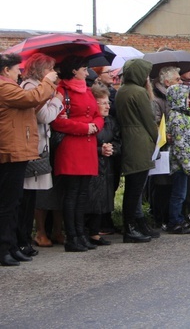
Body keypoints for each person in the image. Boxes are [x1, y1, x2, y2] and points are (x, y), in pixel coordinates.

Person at [0, 53, 57, 267]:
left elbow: (33, 102)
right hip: (10, 150)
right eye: (17, 69)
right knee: (8, 204)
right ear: (6, 70)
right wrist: (47, 82)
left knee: (14, 202)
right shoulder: (5, 87)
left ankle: (11, 246)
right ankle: (4, 248)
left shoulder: (10, 87)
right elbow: (31, 99)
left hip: (16, 149)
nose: (20, 73)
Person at [51, 55, 104, 253]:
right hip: (72, 146)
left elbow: (98, 115)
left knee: (82, 194)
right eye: (84, 67)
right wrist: (86, 128)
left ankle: (80, 234)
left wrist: (95, 126)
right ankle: (72, 236)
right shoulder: (62, 91)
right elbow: (57, 121)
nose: (87, 71)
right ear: (74, 70)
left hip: (87, 144)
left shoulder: (88, 90)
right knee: (72, 193)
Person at [17, 54, 63, 258]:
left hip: (38, 145)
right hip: (33, 146)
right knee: (26, 197)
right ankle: (22, 239)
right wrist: (58, 102)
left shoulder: (40, 86)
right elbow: (45, 115)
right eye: (49, 69)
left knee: (31, 196)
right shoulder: (30, 87)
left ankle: (24, 239)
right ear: (40, 70)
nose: (53, 73)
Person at [115, 58, 159, 243]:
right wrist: (157, 138)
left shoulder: (122, 90)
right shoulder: (139, 92)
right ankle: (131, 227)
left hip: (129, 136)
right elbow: (148, 119)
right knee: (135, 188)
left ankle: (136, 224)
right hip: (139, 140)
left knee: (134, 187)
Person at [84, 84, 121, 247]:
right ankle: (87, 231)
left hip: (107, 164)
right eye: (103, 103)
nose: (108, 106)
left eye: (108, 103)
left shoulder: (111, 122)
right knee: (90, 199)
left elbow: (118, 140)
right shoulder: (90, 121)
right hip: (93, 164)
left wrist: (112, 148)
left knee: (104, 198)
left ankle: (95, 231)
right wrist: (100, 149)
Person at [165, 83, 190, 235]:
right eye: (185, 98)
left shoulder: (186, 115)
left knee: (183, 193)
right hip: (180, 163)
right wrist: (186, 163)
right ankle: (174, 220)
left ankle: (180, 218)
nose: (188, 101)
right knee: (178, 194)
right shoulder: (176, 117)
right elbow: (179, 143)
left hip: (188, 160)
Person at [150, 66, 181, 230]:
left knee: (171, 185)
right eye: (177, 79)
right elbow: (154, 122)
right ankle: (158, 217)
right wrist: (163, 135)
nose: (180, 82)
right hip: (162, 148)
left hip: (174, 148)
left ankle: (171, 216)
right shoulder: (157, 100)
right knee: (161, 184)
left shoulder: (175, 98)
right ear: (167, 82)